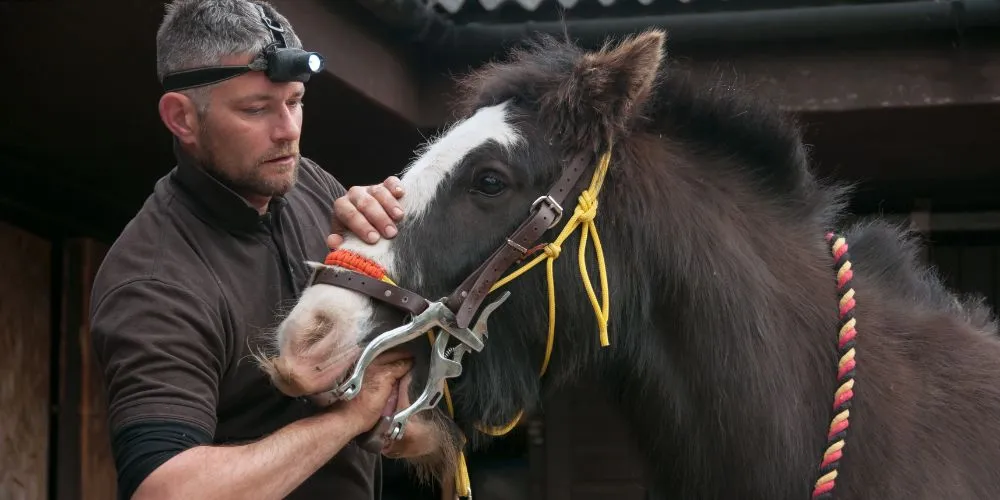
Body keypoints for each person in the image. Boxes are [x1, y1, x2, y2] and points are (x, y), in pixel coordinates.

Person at [89, 1, 418, 498]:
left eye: (296, 100)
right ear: (181, 118)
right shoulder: (156, 281)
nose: (288, 130)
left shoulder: (309, 186)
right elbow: (165, 491)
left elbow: (401, 428)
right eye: (256, 109)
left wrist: (373, 263)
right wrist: (351, 416)